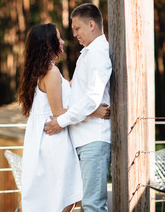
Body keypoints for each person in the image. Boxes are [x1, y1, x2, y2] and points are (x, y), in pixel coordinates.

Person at [18, 23, 109, 212]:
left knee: (56, 196)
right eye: (58, 38)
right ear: (49, 44)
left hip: (41, 139)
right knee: (65, 196)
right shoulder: (51, 72)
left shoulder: (38, 71)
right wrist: (94, 111)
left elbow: (61, 97)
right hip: (54, 140)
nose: (63, 41)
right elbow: (58, 111)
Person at [44, 3, 112, 212]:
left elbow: (92, 98)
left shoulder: (99, 53)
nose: (74, 34)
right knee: (86, 204)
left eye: (77, 28)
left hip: (94, 139)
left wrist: (60, 122)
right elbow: (79, 97)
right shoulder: (88, 53)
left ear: (91, 24)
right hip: (83, 138)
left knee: (93, 205)